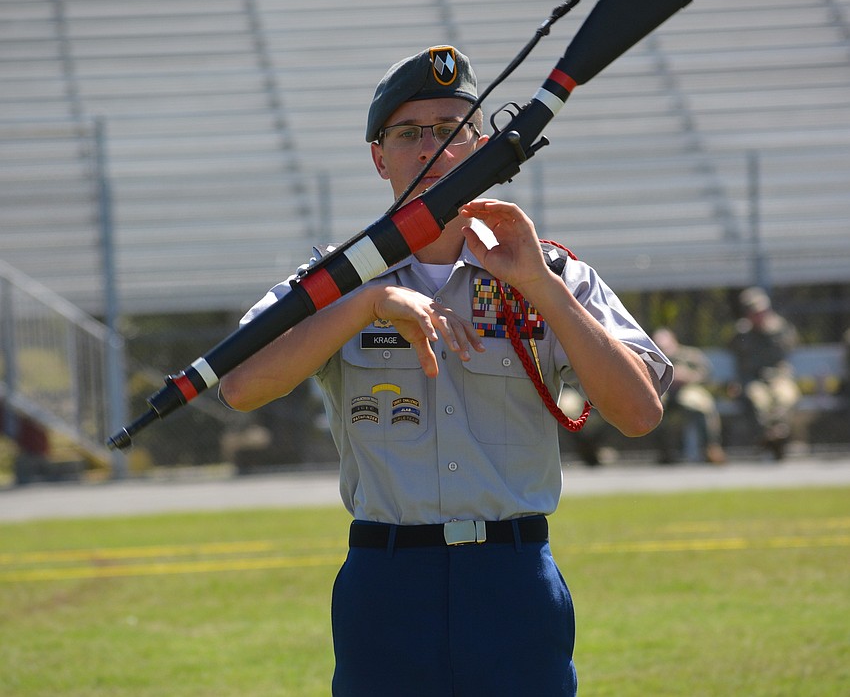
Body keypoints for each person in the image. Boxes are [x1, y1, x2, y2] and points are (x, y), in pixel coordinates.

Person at [219, 45, 672, 696]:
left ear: (483, 146)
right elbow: (239, 387)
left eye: (453, 131)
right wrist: (366, 303)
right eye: (409, 133)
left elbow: (639, 413)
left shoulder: (554, 273)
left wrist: (540, 288)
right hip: (386, 583)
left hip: (515, 579)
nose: (433, 147)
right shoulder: (332, 281)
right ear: (379, 156)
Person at [728, 286, 801, 460]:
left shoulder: (780, 329)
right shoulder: (742, 333)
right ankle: (771, 436)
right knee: (758, 399)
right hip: (754, 379)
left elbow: (792, 345)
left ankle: (776, 434)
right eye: (754, 312)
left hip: (778, 377)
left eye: (762, 311)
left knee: (785, 396)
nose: (759, 315)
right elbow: (734, 351)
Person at [651, 327, 726, 464]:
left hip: (689, 389)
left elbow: (706, 374)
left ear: (674, 341)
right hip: (663, 392)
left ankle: (710, 447)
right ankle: (665, 451)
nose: (663, 348)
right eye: (659, 345)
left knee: (698, 404)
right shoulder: (650, 357)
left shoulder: (690, 354)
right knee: (653, 406)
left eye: (666, 344)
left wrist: (687, 376)